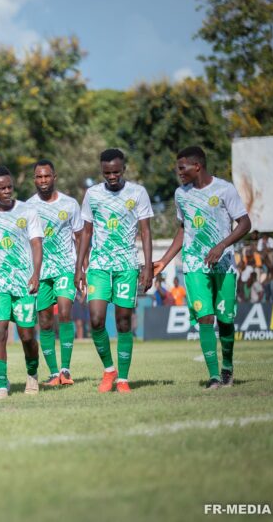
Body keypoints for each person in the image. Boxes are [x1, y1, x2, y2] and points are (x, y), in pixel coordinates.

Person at [154, 146, 251, 388]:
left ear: (197, 166)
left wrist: (222, 245)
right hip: (195, 264)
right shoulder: (180, 194)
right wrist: (164, 261)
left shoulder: (224, 189)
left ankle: (227, 367)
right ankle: (215, 377)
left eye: (182, 167)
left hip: (224, 264)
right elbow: (183, 229)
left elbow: (245, 223)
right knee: (205, 318)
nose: (179, 173)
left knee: (225, 319)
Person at [75, 148, 153, 394]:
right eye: (107, 172)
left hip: (126, 266)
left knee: (122, 322)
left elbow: (146, 232)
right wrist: (80, 267)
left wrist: (148, 267)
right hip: (98, 266)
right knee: (96, 319)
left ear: (124, 169)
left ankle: (123, 379)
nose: (112, 176)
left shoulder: (138, 193)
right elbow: (86, 232)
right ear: (102, 171)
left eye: (116, 172)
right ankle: (109, 370)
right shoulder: (93, 194)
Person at [0, 165, 44, 400]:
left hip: (24, 282)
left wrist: (35, 274)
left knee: (27, 336)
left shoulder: (28, 211)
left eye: (9, 187)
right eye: (1, 188)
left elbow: (36, 244)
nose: (7, 191)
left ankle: (32, 374)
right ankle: (2, 385)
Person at [27, 159, 83, 387]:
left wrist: (81, 269)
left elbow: (80, 237)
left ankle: (66, 370)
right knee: (45, 321)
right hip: (40, 273)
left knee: (65, 311)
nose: (43, 181)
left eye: (46, 176)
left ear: (54, 177)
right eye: (39, 177)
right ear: (34, 179)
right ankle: (52, 373)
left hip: (65, 268)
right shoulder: (27, 207)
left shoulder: (70, 204)